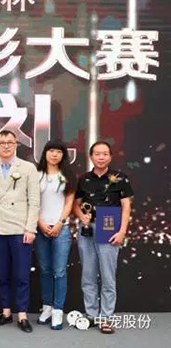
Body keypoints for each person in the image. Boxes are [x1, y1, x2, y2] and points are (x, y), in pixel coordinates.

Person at [73, 141, 133, 334]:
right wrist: (81, 216)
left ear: (110, 156)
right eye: (97, 154)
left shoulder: (120, 178)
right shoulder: (83, 179)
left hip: (109, 227)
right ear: (91, 156)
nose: (101, 157)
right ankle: (91, 314)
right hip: (87, 229)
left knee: (107, 276)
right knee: (88, 275)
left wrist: (122, 231)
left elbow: (126, 207)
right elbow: (75, 204)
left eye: (105, 154)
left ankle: (106, 318)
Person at [0, 130, 40, 333]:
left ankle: (22, 314)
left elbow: (34, 201)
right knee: (2, 273)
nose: (6, 146)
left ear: (16, 144)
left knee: (22, 274)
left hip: (20, 229)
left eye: (10, 142)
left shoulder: (27, 168)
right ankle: (6, 311)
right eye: (2, 143)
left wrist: (30, 228)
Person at [35, 140, 76, 330]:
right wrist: (40, 223)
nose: (54, 155)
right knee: (45, 269)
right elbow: (32, 201)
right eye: (51, 151)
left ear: (63, 155)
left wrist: (60, 223)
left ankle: (58, 309)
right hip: (40, 227)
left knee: (59, 271)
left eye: (59, 152)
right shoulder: (36, 175)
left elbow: (69, 202)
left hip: (61, 228)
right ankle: (47, 307)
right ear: (45, 153)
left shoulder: (67, 176)